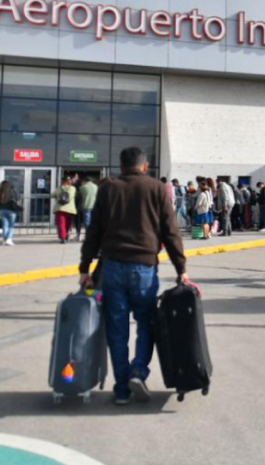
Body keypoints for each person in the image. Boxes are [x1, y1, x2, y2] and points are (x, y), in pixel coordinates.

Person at [78, 147, 188, 405]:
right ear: (145, 166)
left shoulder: (108, 188)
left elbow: (94, 231)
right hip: (144, 269)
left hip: (112, 268)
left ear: (121, 165)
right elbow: (171, 231)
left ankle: (121, 390)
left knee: (117, 330)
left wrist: (85, 268)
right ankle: (138, 370)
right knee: (146, 323)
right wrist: (180, 267)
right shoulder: (157, 189)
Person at [53, 176, 77, 244]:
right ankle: (65, 235)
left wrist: (57, 196)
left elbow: (52, 195)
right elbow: (72, 195)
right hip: (70, 209)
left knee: (61, 224)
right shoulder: (73, 188)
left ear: (62, 181)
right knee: (68, 224)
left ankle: (63, 238)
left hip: (60, 208)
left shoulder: (59, 188)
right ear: (69, 181)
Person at [0, 180, 20, 246]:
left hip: (2, 210)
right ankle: (9, 239)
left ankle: (4, 239)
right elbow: (18, 197)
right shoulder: (12, 191)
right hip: (11, 210)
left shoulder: (0, 192)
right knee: (11, 226)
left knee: (5, 225)